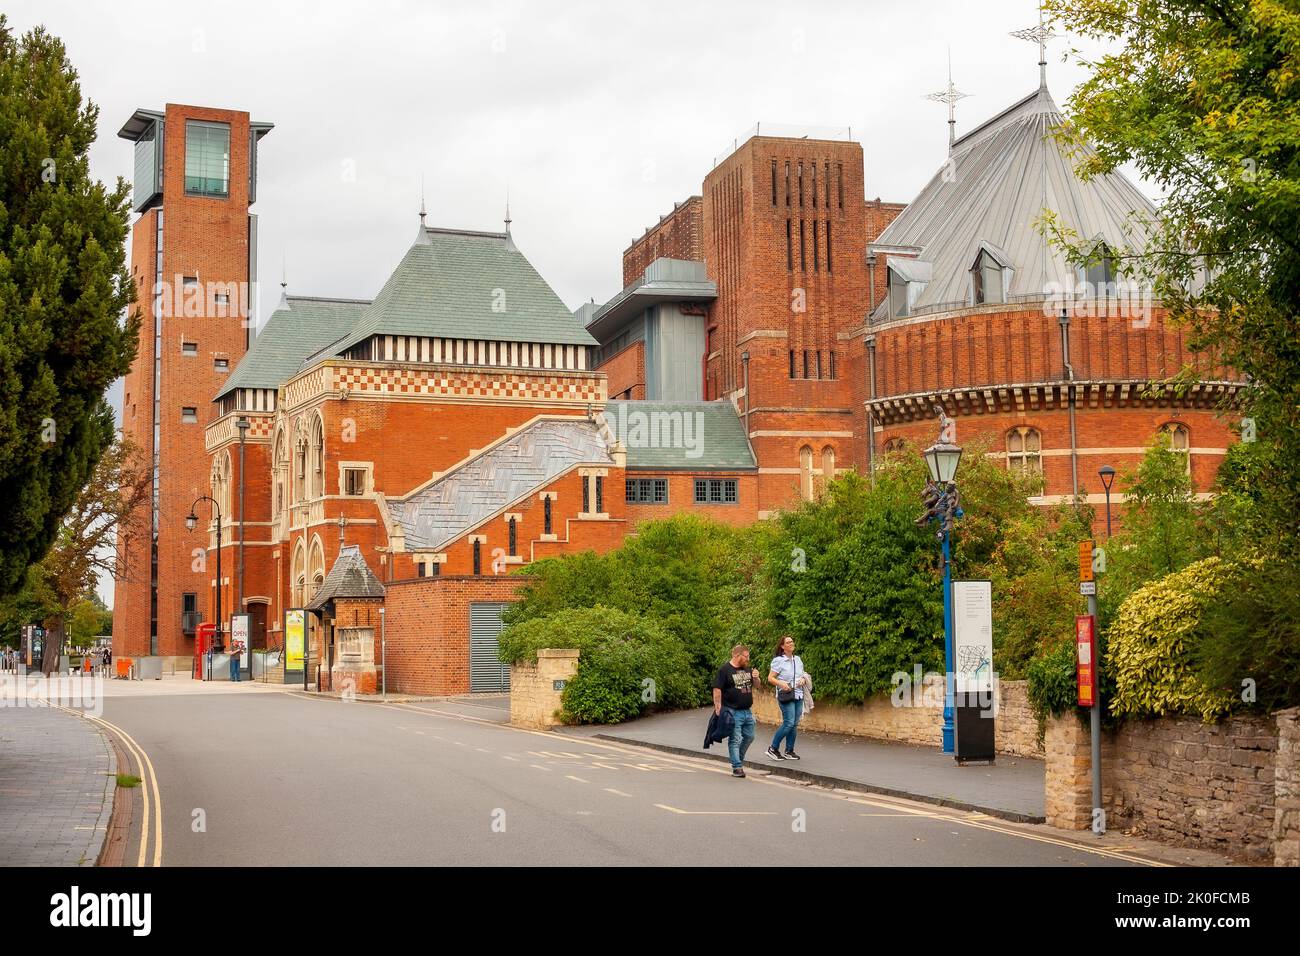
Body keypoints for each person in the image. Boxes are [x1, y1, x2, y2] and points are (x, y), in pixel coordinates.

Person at [711, 644, 763, 778]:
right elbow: (717, 689)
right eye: (746, 657)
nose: (748, 659)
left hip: (747, 711)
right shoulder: (725, 669)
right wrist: (718, 708)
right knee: (735, 739)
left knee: (750, 737)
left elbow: (757, 686)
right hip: (732, 711)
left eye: (748, 656)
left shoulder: (746, 668)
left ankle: (737, 759)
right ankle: (737, 767)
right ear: (737, 655)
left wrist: (756, 677)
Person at [766, 635, 806, 761]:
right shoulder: (779, 661)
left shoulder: (798, 659)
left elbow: (802, 674)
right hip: (786, 695)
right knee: (788, 723)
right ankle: (773, 748)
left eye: (792, 641)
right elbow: (770, 678)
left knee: (794, 724)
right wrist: (781, 684)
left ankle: (789, 751)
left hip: (798, 693)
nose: (791, 643)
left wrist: (804, 679)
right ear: (783, 646)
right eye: (788, 642)